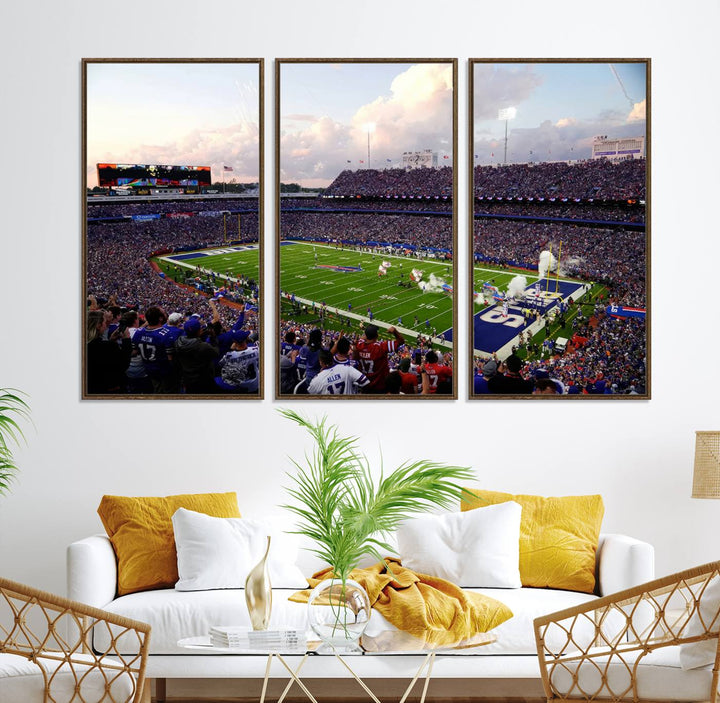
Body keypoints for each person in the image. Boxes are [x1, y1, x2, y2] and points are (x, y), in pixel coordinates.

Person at [86, 310, 131, 394]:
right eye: (104, 322)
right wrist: (126, 339)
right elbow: (124, 364)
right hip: (108, 389)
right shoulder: (106, 346)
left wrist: (111, 340)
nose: (105, 324)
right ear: (98, 326)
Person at [354, 324, 404, 393]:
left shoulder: (359, 345)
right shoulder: (380, 347)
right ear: (377, 336)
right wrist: (394, 331)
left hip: (365, 384)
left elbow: (362, 339)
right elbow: (401, 341)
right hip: (380, 385)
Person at [174, 318, 219, 394]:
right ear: (199, 331)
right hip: (202, 379)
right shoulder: (202, 346)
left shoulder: (178, 342)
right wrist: (213, 337)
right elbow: (216, 352)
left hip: (187, 377)